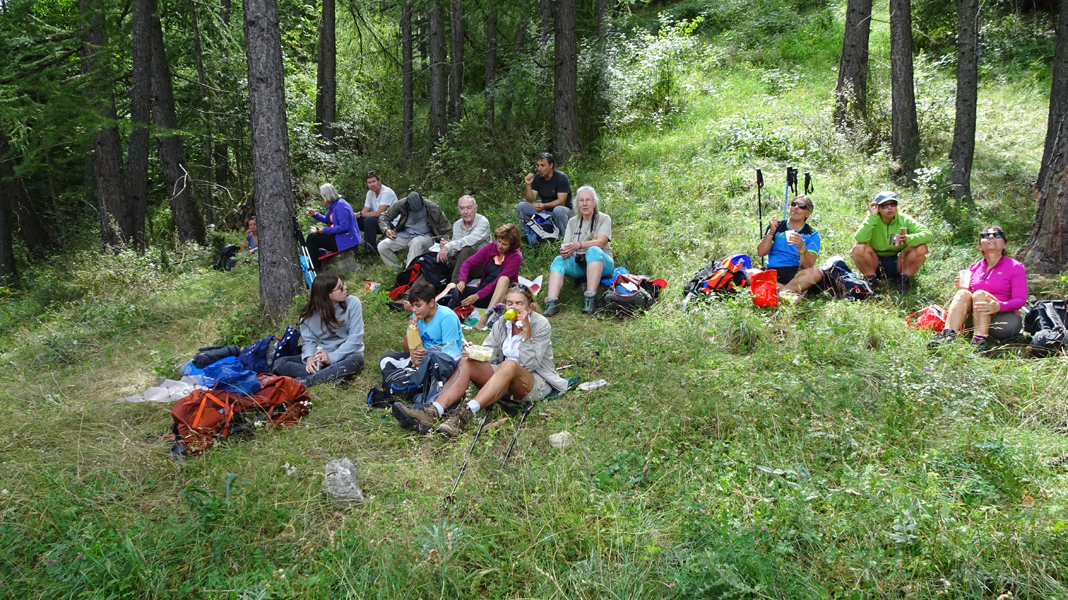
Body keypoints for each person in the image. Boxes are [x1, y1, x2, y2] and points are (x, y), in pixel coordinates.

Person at [392, 284, 569, 437]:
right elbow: (490, 352)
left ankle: (464, 415)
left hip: (534, 382)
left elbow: (530, 365)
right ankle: (432, 411)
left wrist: (526, 332)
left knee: (509, 365)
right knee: (467, 361)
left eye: (519, 304)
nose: (513, 307)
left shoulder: (541, 324)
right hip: (503, 376)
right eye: (509, 303)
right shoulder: (502, 323)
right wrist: (473, 351)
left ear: (529, 308)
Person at [930, 226, 1028, 352]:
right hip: (974, 318)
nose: (991, 237)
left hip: (1003, 319)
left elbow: (1020, 300)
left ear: (1005, 245)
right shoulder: (974, 268)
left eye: (997, 235)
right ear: (980, 247)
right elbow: (968, 297)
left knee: (980, 294)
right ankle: (947, 336)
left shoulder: (1015, 267)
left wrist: (999, 306)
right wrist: (962, 288)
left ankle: (979, 342)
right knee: (963, 293)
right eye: (985, 236)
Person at [272, 273, 365, 387]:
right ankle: (331, 376)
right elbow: (308, 341)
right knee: (279, 363)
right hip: (322, 357)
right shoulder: (309, 314)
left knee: (356, 360)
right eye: (340, 287)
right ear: (328, 295)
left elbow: (355, 339)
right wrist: (309, 357)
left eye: (343, 284)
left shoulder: (352, 303)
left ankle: (310, 380)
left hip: (347, 354)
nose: (345, 288)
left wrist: (331, 358)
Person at [543, 185, 613, 317]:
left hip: (602, 263)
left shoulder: (604, 218)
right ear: (577, 204)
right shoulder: (572, 222)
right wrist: (566, 251)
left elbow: (601, 242)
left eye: (588, 200)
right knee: (558, 260)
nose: (584, 204)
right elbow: (566, 244)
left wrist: (578, 245)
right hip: (580, 264)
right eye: (581, 200)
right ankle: (552, 303)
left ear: (594, 202)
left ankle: (590, 300)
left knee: (593, 250)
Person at [437, 224, 523, 321]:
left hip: (502, 295)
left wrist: (477, 296)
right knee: (452, 286)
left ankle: (486, 318)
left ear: (512, 246)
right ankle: (433, 309)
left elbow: (496, 283)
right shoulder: (491, 247)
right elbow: (468, 263)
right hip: (484, 292)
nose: (499, 245)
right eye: (499, 241)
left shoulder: (516, 257)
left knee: (503, 279)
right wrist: (462, 281)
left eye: (504, 244)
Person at [851, 191, 932, 293]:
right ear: (878, 208)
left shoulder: (904, 219)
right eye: (884, 205)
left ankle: (903, 279)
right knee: (858, 248)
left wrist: (908, 238)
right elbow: (860, 238)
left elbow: (928, 235)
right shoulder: (872, 219)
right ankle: (871, 280)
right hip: (874, 261)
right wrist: (872, 217)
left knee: (921, 248)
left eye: (893, 204)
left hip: (898, 261)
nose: (889, 208)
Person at [750, 195, 822, 295]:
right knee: (749, 273)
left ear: (808, 214)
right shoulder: (777, 226)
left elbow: (809, 265)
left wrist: (801, 246)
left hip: (795, 273)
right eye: (794, 204)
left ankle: (779, 291)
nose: (796, 207)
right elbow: (761, 252)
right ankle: (790, 293)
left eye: (801, 206)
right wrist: (771, 231)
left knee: (816, 273)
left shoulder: (812, 234)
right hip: (772, 270)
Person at [377, 192, 452, 270]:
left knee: (416, 243)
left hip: (426, 236)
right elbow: (384, 217)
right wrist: (386, 229)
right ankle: (396, 271)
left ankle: (409, 273)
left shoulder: (433, 208)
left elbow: (447, 229)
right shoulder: (401, 204)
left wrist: (445, 244)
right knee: (382, 246)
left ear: (423, 204)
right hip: (405, 234)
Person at [517, 152, 572, 244]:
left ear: (551, 165)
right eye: (538, 165)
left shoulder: (561, 178)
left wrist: (544, 205)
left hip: (563, 211)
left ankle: (566, 240)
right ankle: (527, 236)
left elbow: (561, 201)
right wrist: (528, 184)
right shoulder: (537, 178)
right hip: (545, 211)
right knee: (521, 206)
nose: (539, 168)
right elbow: (530, 199)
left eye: (542, 165)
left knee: (558, 210)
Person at [437, 195, 492, 283]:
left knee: (466, 250)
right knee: (436, 259)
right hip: (461, 263)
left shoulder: (482, 222)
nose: (465, 212)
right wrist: (446, 247)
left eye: (469, 208)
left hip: (481, 264)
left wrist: (450, 246)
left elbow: (471, 240)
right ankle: (419, 288)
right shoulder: (457, 225)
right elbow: (454, 251)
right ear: (458, 209)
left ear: (475, 208)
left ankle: (454, 285)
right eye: (462, 208)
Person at [307, 183, 361, 271]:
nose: (320, 199)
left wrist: (325, 230)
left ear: (327, 196)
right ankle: (315, 264)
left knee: (312, 238)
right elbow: (327, 220)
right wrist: (316, 215)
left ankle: (314, 268)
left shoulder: (341, 206)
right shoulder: (333, 205)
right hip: (339, 237)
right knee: (313, 237)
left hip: (346, 240)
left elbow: (344, 227)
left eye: (321, 197)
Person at [356, 171, 398, 255]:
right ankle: (353, 247)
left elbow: (380, 213)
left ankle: (371, 251)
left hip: (391, 224)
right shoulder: (370, 193)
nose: (372, 184)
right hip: (379, 222)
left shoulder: (387, 192)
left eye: (374, 181)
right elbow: (364, 211)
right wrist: (354, 216)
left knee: (369, 221)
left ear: (379, 181)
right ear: (366, 184)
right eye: (369, 182)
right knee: (358, 220)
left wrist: (360, 214)